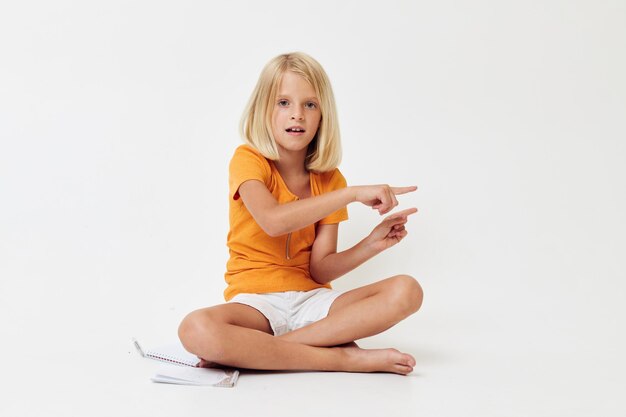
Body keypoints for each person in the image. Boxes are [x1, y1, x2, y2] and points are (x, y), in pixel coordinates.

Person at [178, 52, 423, 375]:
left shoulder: (329, 178)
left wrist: (371, 245)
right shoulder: (248, 159)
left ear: (323, 116)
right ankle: (342, 358)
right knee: (195, 328)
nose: (297, 115)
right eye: (283, 103)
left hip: (313, 302)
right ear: (264, 110)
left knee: (407, 290)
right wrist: (349, 195)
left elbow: (320, 270)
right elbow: (273, 220)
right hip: (256, 305)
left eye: (310, 105)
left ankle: (266, 352)